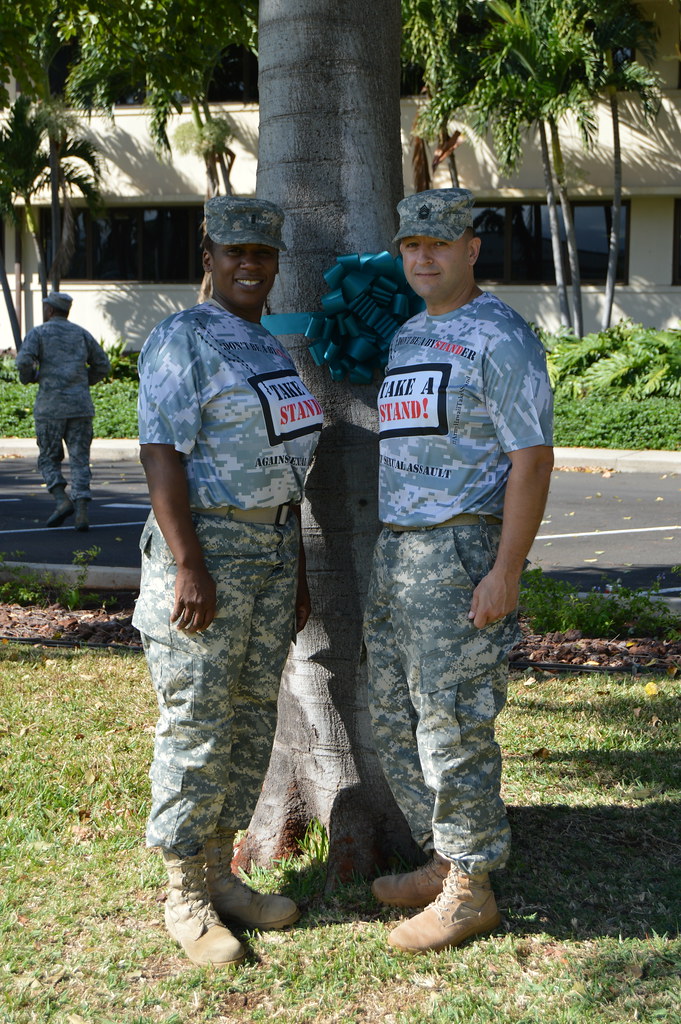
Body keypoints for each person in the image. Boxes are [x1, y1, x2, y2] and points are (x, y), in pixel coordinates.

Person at [132, 195, 323, 969]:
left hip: (271, 557)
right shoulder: (185, 338)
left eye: (263, 254)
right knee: (197, 728)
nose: (250, 265)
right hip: (206, 555)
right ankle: (183, 892)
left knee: (247, 725)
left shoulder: (266, 345)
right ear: (208, 256)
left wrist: (297, 565)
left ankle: (220, 876)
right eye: (235, 251)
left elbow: (287, 466)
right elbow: (160, 455)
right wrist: (187, 563)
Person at [364, 188, 554, 954]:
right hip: (399, 548)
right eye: (410, 245)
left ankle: (471, 888)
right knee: (395, 713)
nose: (422, 257)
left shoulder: (500, 335)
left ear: (470, 249)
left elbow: (530, 459)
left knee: (453, 721)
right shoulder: (409, 332)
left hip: (462, 548)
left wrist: (506, 568)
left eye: (438, 244)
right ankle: (443, 858)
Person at [15, 291, 111, 531]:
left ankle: (61, 500)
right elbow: (103, 364)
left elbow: (23, 361)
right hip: (80, 406)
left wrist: (29, 378)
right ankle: (81, 512)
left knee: (48, 457)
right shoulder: (80, 333)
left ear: (49, 310)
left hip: (51, 407)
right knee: (80, 459)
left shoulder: (39, 333)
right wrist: (82, 382)